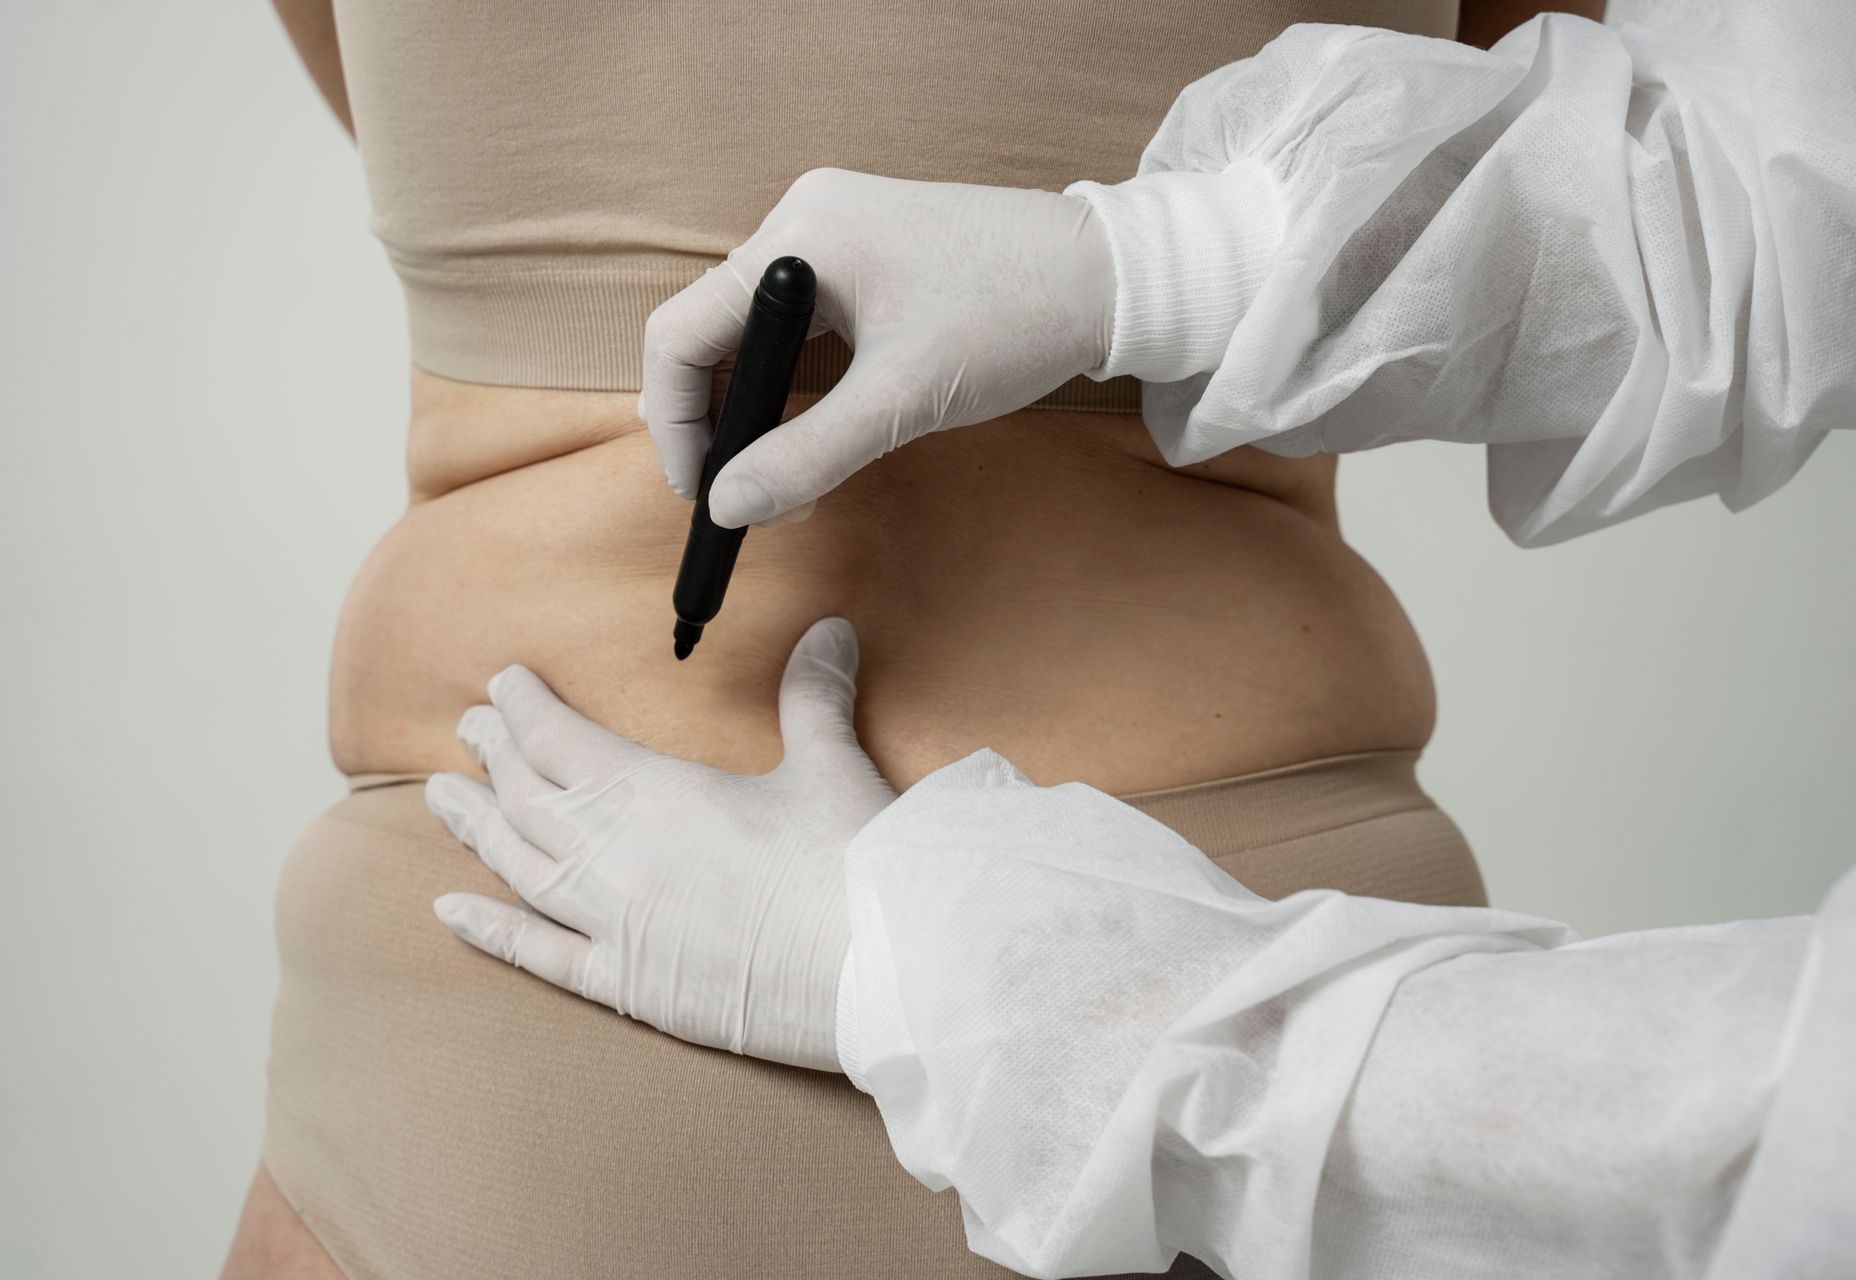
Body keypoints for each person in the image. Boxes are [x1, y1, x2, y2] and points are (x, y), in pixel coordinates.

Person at [418, 1, 1855, 1276]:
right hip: (1284, 1002)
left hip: (500, 1029)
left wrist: (1009, 998)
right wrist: (1156, 261)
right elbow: (1761, 196)